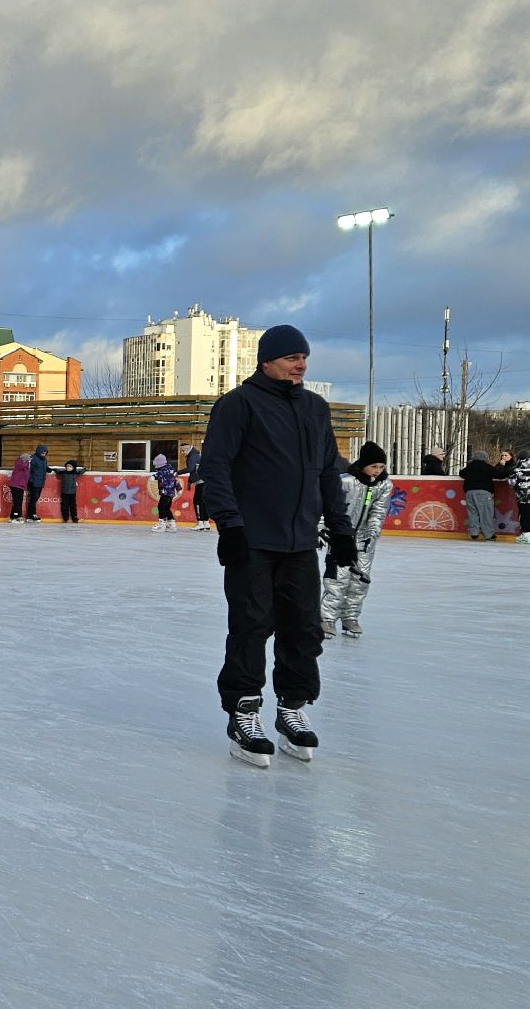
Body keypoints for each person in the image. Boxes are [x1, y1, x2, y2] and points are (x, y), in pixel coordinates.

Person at [197, 325, 352, 769]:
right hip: (253, 540)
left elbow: (327, 473)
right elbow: (217, 466)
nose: (300, 363)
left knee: (303, 629)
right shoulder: (239, 404)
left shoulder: (315, 408)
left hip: (301, 541)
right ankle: (244, 714)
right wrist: (230, 525)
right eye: (290, 357)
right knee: (251, 625)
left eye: (303, 356)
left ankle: (292, 708)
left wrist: (339, 530)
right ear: (266, 360)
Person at [320, 441, 391, 639]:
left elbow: (378, 512)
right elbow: (328, 505)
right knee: (337, 580)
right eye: (373, 466)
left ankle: (350, 617)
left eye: (381, 467)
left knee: (360, 581)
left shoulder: (384, 484)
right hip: (341, 538)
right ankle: (326, 618)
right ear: (363, 464)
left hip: (365, 541)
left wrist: (371, 534)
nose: (377, 471)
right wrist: (324, 529)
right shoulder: (345, 481)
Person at [459, 451, 511, 541]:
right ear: (485, 458)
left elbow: (461, 473)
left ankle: (474, 533)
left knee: (473, 513)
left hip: (469, 493)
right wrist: (505, 469)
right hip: (483, 492)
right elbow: (499, 475)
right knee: (486, 514)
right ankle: (489, 535)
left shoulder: (469, 466)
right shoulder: (486, 467)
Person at [150, 454, 181, 533]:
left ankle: (161, 525)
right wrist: (178, 489)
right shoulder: (171, 470)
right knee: (167, 508)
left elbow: (159, 474)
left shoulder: (163, 470)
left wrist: (153, 477)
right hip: (170, 493)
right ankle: (172, 524)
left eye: (156, 465)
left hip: (165, 492)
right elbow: (176, 480)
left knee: (161, 507)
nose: (156, 467)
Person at [184, 444, 210, 530]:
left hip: (201, 482)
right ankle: (206, 522)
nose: (182, 452)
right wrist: (189, 481)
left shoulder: (193, 456)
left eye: (183, 450)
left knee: (197, 502)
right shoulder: (195, 455)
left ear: (188, 449)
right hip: (203, 481)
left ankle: (200, 522)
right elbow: (194, 470)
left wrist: (177, 472)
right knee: (203, 502)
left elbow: (190, 469)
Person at [26, 444, 50, 522]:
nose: (44, 454)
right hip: (34, 482)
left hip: (40, 482)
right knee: (34, 498)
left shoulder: (44, 459)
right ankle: (31, 515)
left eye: (45, 453)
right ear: (38, 452)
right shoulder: (33, 458)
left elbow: (44, 467)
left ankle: (32, 514)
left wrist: (48, 469)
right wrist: (31, 480)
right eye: (42, 453)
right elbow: (28, 470)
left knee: (35, 498)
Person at [511, 451, 530, 545]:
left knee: (524, 515)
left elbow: (512, 482)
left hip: (523, 496)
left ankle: (526, 535)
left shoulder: (516, 468)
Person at [7, 450, 31, 522]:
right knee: (17, 502)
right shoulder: (19, 463)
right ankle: (16, 516)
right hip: (16, 486)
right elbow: (22, 466)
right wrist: (27, 462)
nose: (29, 461)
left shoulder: (25, 466)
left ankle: (13, 516)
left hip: (20, 486)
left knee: (18, 502)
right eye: (28, 459)